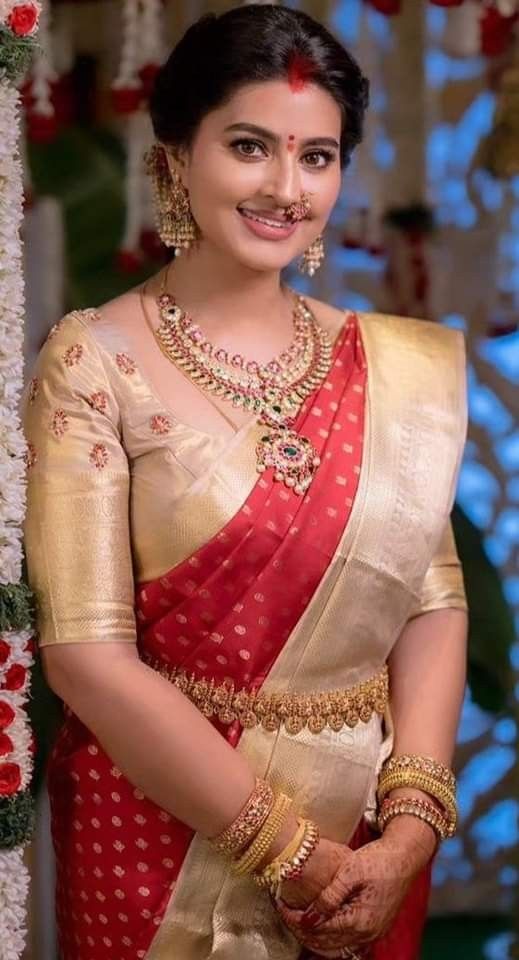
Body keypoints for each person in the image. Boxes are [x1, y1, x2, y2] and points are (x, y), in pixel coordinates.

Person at [22, 6, 468, 960]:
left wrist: (408, 829)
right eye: (249, 145)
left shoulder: (384, 369)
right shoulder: (93, 361)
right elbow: (84, 657)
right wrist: (293, 854)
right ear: (177, 153)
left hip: (366, 830)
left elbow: (429, 599)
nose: (284, 187)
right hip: (152, 836)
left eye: (317, 155)